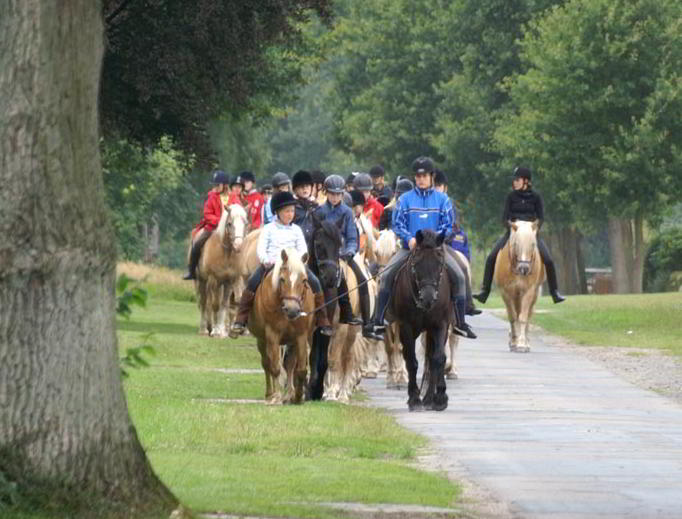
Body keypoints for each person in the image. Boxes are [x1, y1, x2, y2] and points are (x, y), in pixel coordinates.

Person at [371, 157, 477, 339]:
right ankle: (379, 320)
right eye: (418, 176)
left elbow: (448, 223)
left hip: (436, 249)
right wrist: (409, 238)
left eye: (424, 175)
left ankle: (460, 322)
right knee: (387, 274)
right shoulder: (404, 199)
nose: (421, 179)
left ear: (431, 177)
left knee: (459, 275)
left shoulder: (442, 200)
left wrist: (436, 239)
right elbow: (397, 224)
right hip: (410, 248)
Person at [229, 191, 332, 337]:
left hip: (294, 266)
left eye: (292, 211)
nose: (290, 214)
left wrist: (301, 260)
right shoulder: (269, 229)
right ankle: (241, 319)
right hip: (272, 264)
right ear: (277, 212)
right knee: (252, 283)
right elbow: (261, 249)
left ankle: (322, 319)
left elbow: (303, 248)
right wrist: (265, 260)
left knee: (315, 282)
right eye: (287, 211)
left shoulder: (296, 230)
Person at [474, 167, 566, 304]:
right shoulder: (511, 197)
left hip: (530, 234)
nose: (514, 182)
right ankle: (485, 291)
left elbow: (541, 218)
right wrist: (511, 226)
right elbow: (504, 218)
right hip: (513, 232)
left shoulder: (536, 197)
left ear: (526, 181)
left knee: (548, 260)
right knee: (491, 256)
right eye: (514, 180)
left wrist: (534, 229)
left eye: (517, 180)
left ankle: (554, 292)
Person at [315, 175, 378, 339]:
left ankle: (367, 324)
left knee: (363, 281)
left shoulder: (347, 213)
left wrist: (349, 252)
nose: (335, 197)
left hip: (343, 255)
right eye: (332, 194)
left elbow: (352, 237)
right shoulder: (319, 212)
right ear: (326, 193)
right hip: (325, 257)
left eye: (338, 194)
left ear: (342, 194)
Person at [433, 169, 480, 315]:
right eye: (434, 186)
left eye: (439, 186)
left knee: (462, 268)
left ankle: (467, 305)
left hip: (444, 244)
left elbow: (452, 227)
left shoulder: (450, 205)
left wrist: (441, 238)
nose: (436, 189)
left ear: (445, 188)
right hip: (426, 244)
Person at [183, 170, 230, 280]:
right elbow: (207, 214)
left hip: (229, 229)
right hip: (212, 228)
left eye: (218, 185)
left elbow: (237, 212)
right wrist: (219, 222)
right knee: (197, 244)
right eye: (214, 185)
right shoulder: (211, 196)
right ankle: (192, 270)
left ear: (225, 185)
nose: (215, 187)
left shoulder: (233, 198)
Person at [291, 170, 318, 243]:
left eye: (307, 186)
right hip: (296, 242)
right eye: (301, 186)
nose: (305, 189)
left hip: (314, 244)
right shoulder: (292, 207)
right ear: (295, 190)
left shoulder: (316, 207)